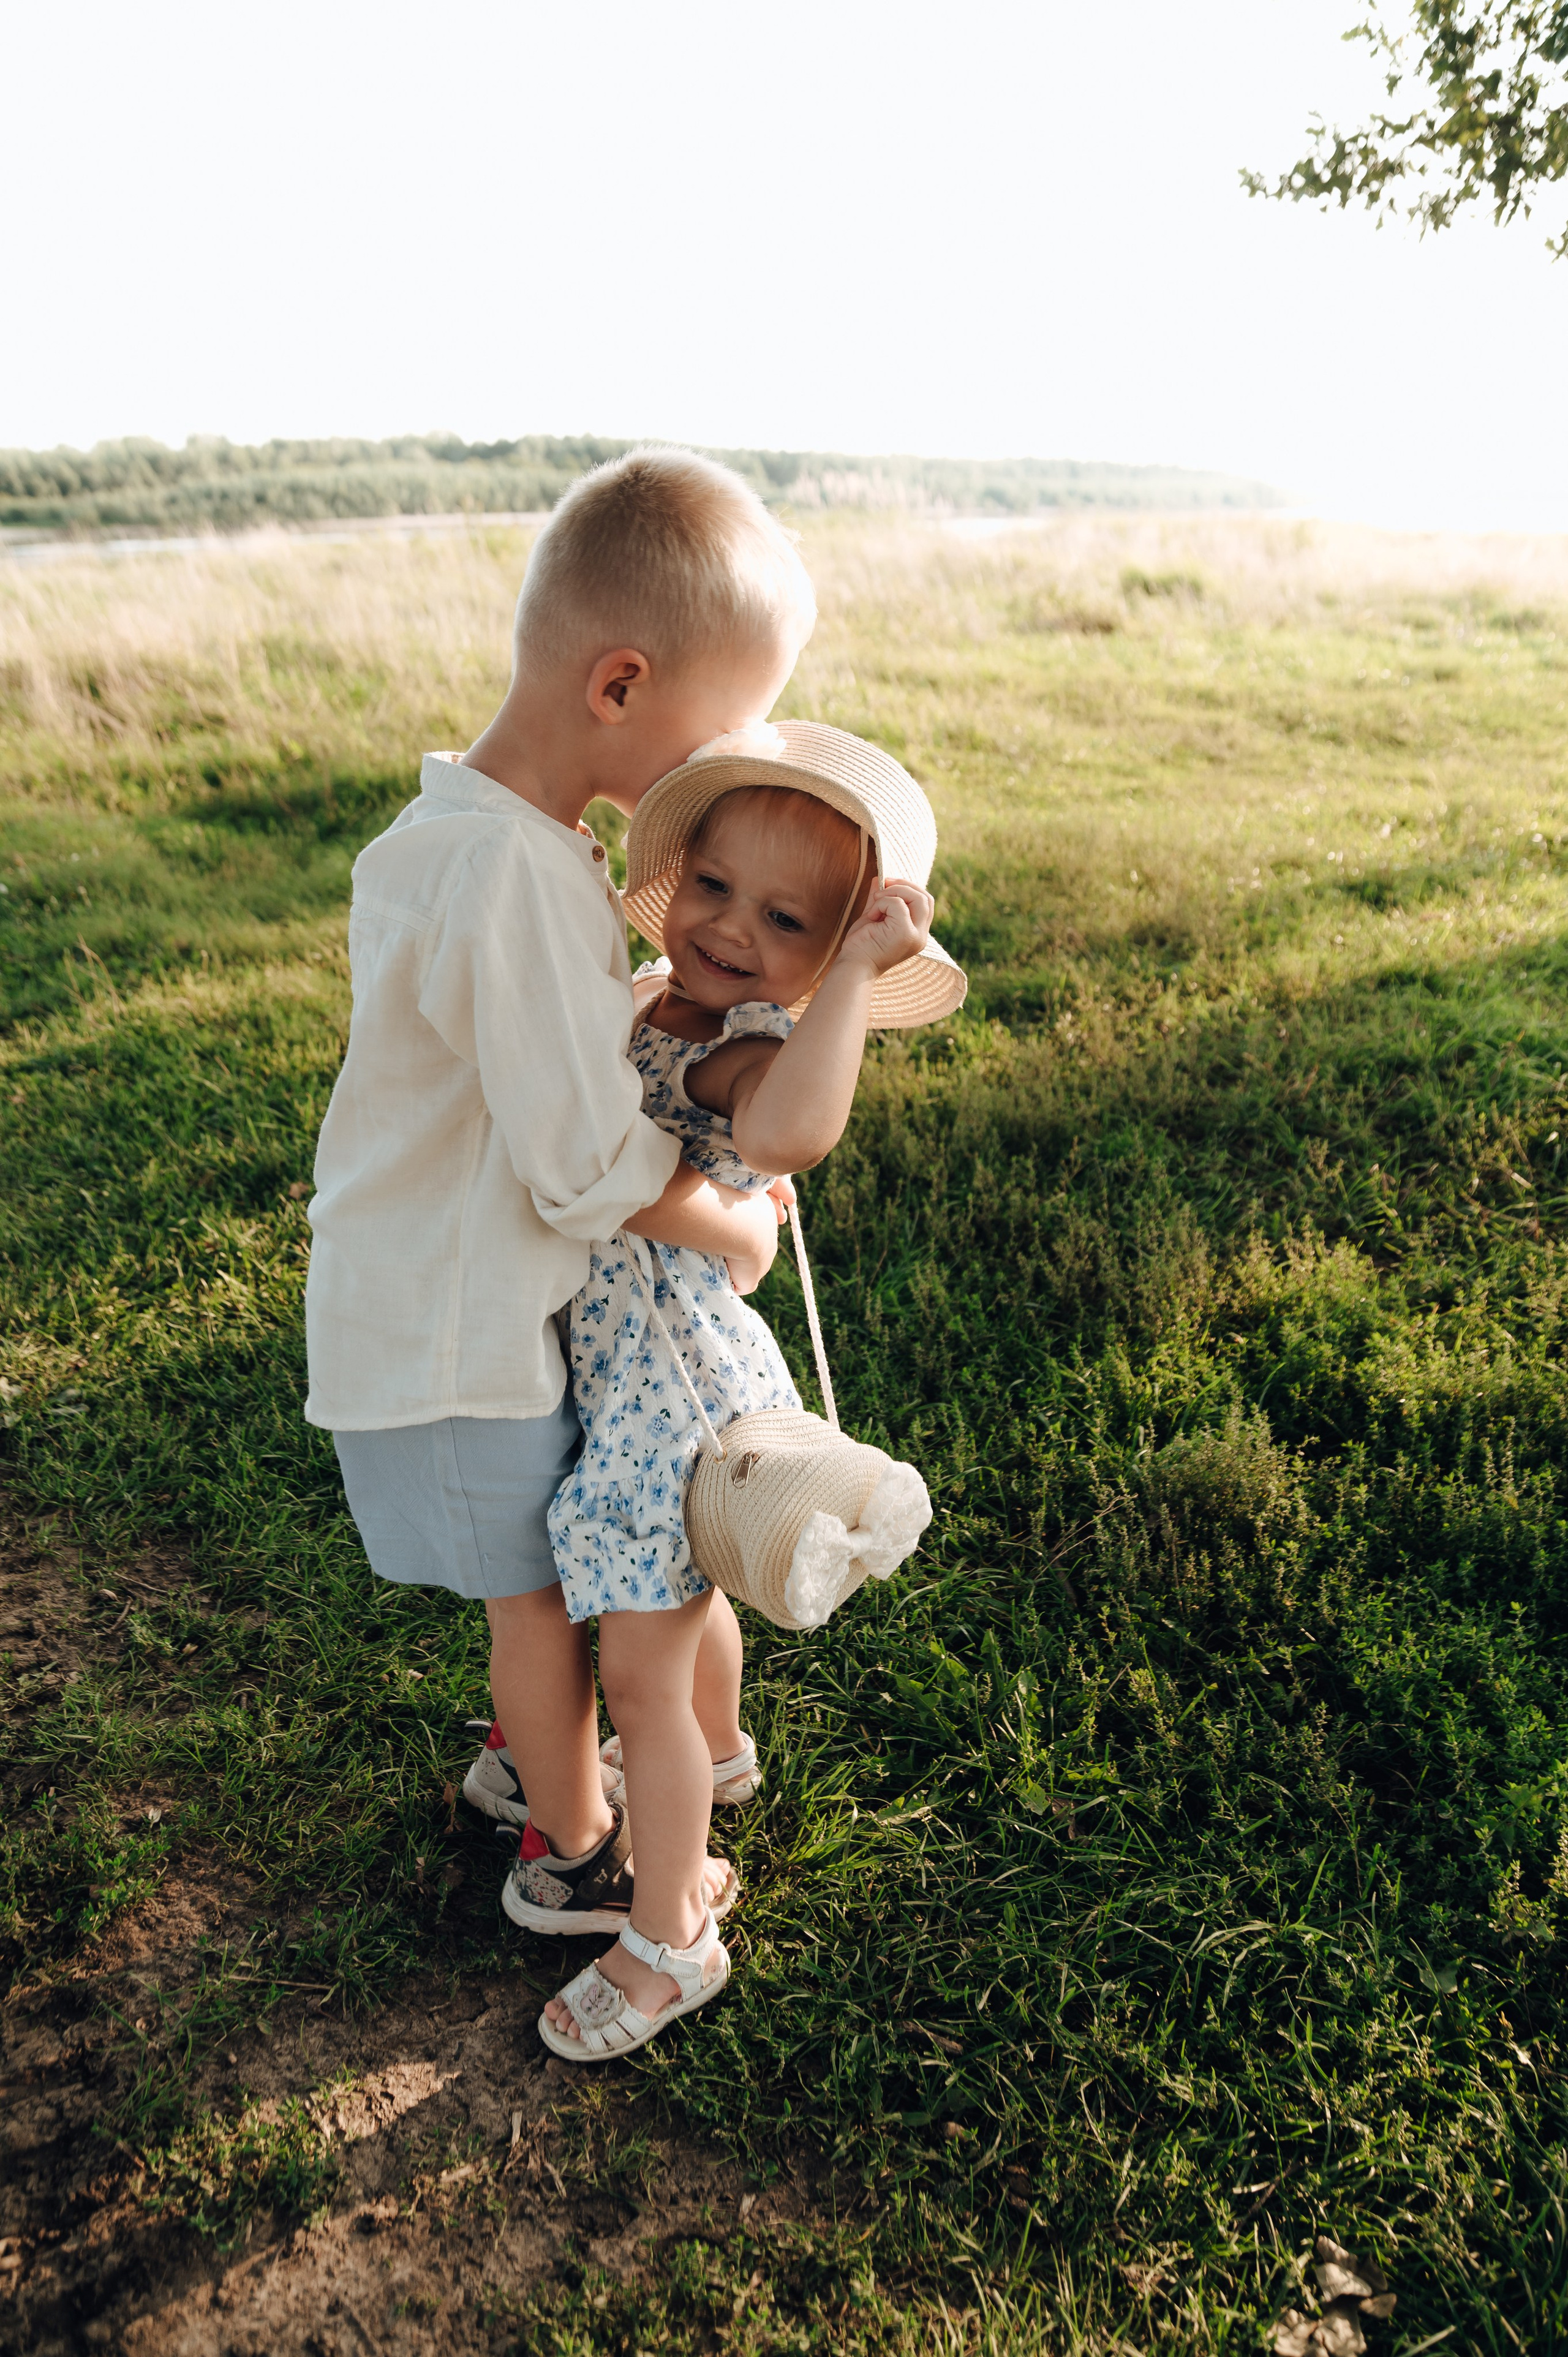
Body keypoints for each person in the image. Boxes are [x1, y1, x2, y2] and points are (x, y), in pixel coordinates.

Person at [304, 445, 816, 1966]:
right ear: (618, 686)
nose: (718, 776)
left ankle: (535, 1754)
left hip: (423, 1292)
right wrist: (727, 1230)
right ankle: (578, 1847)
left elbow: (528, 1046)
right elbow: (585, 1167)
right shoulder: (519, 881)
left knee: (535, 1585)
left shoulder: (454, 837)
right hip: (456, 1331)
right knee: (534, 1602)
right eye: (712, 738)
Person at [527, 717, 967, 2060]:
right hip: (680, 1382)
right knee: (694, 1592)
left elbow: (783, 1132)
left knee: (637, 1672)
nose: (727, 930)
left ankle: (670, 1933)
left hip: (667, 1402)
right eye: (712, 886)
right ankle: (720, 1754)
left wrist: (850, 980)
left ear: (824, 954)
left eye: (784, 920)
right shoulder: (663, 1002)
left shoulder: (746, 1044)